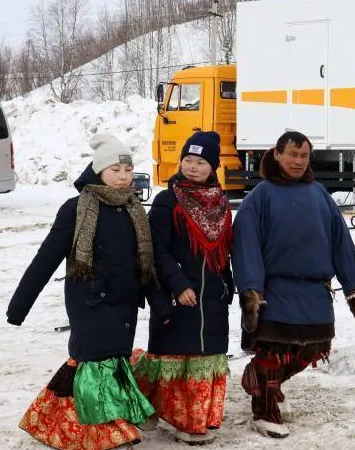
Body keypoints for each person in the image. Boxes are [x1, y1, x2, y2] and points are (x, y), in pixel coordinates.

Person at [6, 134, 158, 450]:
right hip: (90, 302)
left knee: (111, 362)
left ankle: (56, 421)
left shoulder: (133, 209)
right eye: (115, 169)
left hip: (125, 305)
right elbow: (45, 259)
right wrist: (18, 307)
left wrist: (162, 305)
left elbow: (145, 264)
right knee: (95, 363)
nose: (122, 176)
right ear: (99, 170)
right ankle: (106, 432)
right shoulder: (76, 209)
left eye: (128, 170)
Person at [231, 131, 355, 438]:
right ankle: (264, 408)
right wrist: (251, 292)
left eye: (304, 156)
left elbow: (341, 242)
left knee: (312, 349)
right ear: (277, 155)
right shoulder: (259, 197)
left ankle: (260, 380)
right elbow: (246, 246)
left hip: (314, 291)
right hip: (275, 291)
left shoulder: (320, 194)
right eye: (292, 155)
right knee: (273, 353)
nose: (298, 161)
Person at [131, 131, 234, 445]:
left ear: (212, 166)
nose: (192, 167)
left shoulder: (221, 201)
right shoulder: (168, 200)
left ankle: (198, 418)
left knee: (204, 358)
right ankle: (175, 417)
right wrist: (177, 285)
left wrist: (228, 282)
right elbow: (155, 248)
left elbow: (224, 248)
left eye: (200, 162)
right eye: (188, 160)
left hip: (212, 295)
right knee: (174, 358)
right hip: (179, 295)